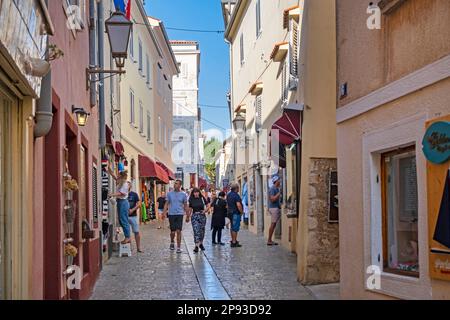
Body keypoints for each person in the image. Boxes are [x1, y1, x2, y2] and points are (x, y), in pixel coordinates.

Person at [163, 179, 189, 253]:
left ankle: (178, 247)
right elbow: (166, 203)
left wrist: (187, 215)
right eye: (175, 183)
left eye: (177, 184)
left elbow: (185, 205)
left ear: (180, 185)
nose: (175, 185)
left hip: (180, 214)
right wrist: (164, 213)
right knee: (173, 232)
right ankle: (172, 242)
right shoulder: (169, 194)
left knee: (179, 231)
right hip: (171, 214)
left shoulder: (184, 194)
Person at [108, 171, 131, 244]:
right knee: (121, 220)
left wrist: (112, 194)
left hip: (123, 202)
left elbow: (121, 193)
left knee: (124, 220)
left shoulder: (124, 184)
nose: (117, 176)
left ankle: (127, 237)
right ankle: (127, 236)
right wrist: (110, 172)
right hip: (121, 202)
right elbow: (115, 178)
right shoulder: (121, 182)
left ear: (121, 176)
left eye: (118, 175)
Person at [188, 188, 209, 253]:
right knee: (196, 230)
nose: (196, 193)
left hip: (202, 216)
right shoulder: (191, 199)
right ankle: (196, 245)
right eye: (195, 192)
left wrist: (205, 211)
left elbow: (208, 205)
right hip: (194, 216)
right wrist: (188, 216)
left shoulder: (202, 198)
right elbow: (190, 208)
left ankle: (201, 243)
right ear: (193, 193)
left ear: (199, 193)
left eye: (197, 192)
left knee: (202, 230)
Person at [226, 183, 243, 247]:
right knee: (235, 228)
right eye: (238, 187)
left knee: (232, 227)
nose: (239, 189)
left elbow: (227, 204)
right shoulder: (236, 195)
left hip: (230, 213)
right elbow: (238, 205)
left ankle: (233, 240)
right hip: (235, 213)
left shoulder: (228, 194)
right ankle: (234, 242)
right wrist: (241, 212)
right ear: (236, 188)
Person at [127, 182, 143, 252]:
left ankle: (138, 248)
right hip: (125, 216)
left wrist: (132, 210)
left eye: (128, 185)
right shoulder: (122, 194)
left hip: (133, 216)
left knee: (136, 232)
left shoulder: (134, 194)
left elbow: (139, 204)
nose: (126, 186)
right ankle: (128, 248)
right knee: (127, 233)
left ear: (130, 186)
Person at [267, 176, 282, 246]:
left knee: (274, 224)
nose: (280, 181)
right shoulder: (272, 189)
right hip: (273, 208)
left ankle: (270, 240)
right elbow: (272, 199)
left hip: (275, 208)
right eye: (279, 180)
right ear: (276, 181)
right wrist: (279, 194)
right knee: (273, 224)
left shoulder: (276, 188)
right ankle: (269, 240)